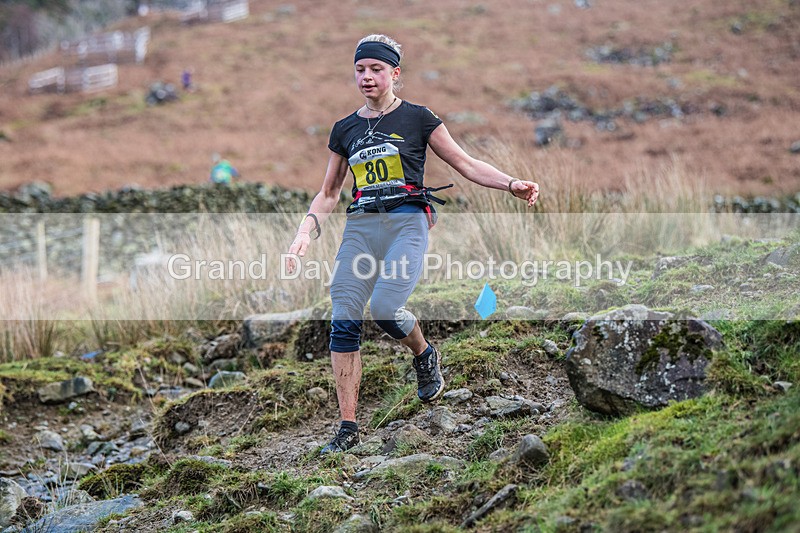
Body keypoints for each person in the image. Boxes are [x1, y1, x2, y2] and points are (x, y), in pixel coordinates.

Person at [285, 34, 539, 454]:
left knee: (385, 308)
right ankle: (348, 428)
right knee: (344, 315)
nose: (366, 77)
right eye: (360, 69)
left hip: (407, 221)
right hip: (362, 226)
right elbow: (329, 192)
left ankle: (423, 354)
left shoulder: (419, 118)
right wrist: (303, 233)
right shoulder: (345, 129)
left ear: (394, 73)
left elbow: (465, 162)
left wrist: (510, 183)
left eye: (376, 69)